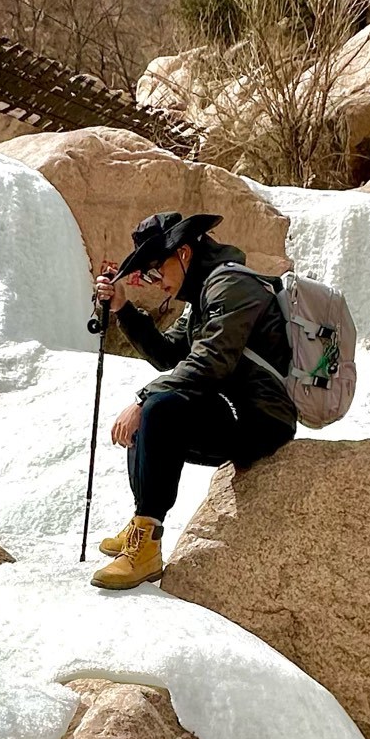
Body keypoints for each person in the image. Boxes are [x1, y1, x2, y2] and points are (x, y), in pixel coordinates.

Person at [89, 209, 297, 590]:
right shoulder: (202, 297)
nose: (155, 280)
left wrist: (143, 398)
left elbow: (211, 362)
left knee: (157, 409)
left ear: (183, 253)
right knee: (153, 413)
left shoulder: (232, 286)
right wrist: (123, 308)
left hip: (262, 418)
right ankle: (143, 525)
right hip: (231, 407)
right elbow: (171, 355)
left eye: (156, 269)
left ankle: (146, 547)